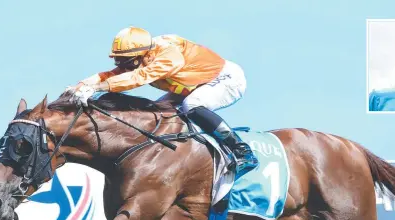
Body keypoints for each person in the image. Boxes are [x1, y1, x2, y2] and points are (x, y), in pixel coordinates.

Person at [68, 26, 258, 175]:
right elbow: (112, 74)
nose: (121, 65)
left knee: (191, 105)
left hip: (225, 78)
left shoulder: (168, 56)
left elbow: (138, 78)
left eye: (125, 60)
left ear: (140, 55)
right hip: (190, 84)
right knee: (156, 114)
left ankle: (241, 150)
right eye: (118, 60)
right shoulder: (142, 53)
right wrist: (81, 85)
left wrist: (95, 88)